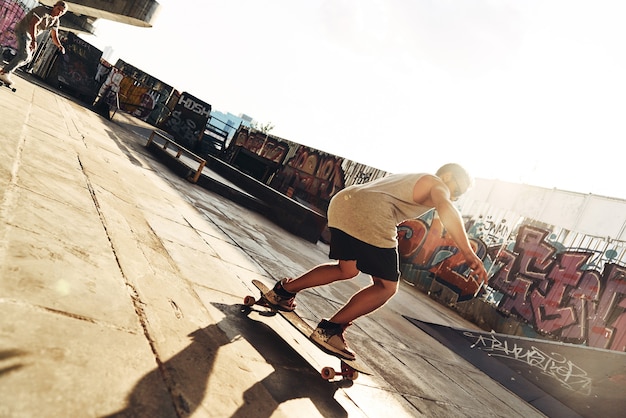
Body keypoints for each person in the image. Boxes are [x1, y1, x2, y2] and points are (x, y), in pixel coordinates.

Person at [264, 163, 488, 360]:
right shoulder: (437, 183)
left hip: (344, 203)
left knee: (346, 269)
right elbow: (447, 208)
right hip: (372, 213)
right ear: (448, 176)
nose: (456, 195)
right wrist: (468, 253)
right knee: (386, 287)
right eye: (458, 189)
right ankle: (329, 330)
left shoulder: (411, 178)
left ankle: (282, 291)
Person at [0, 1, 68, 86]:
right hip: (23, 30)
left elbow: (54, 36)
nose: (59, 12)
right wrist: (33, 40)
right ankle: (5, 73)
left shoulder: (56, 21)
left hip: (30, 36)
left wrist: (59, 45)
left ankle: (3, 71)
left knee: (27, 59)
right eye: (58, 9)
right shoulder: (43, 11)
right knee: (24, 55)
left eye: (62, 12)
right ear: (54, 6)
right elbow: (33, 24)